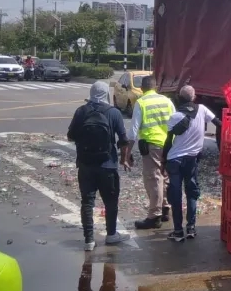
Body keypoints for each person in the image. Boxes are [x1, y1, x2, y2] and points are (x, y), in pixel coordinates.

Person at [67, 81, 131, 250]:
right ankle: (111, 235)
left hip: (85, 165)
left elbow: (70, 136)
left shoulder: (81, 111)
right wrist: (124, 159)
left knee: (87, 202)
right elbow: (123, 141)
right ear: (107, 94)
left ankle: (89, 239)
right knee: (110, 201)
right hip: (108, 165)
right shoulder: (114, 112)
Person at [162, 85, 220, 241]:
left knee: (175, 195)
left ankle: (178, 231)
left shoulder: (175, 116)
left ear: (179, 98)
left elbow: (168, 142)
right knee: (192, 192)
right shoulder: (202, 109)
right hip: (192, 160)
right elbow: (218, 122)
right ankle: (191, 228)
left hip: (174, 160)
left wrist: (163, 162)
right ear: (194, 97)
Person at [124, 75, 175, 230]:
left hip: (152, 145)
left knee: (154, 179)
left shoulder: (142, 102)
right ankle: (166, 208)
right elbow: (175, 121)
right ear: (155, 87)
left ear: (142, 88)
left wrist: (126, 153)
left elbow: (133, 131)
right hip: (168, 145)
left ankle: (154, 216)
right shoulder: (167, 101)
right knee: (164, 177)